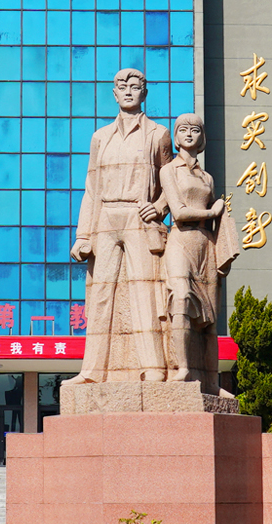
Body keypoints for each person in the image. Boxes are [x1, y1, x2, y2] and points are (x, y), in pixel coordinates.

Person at [66, 68, 173, 384]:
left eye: (135, 86)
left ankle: (153, 367)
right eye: (122, 86)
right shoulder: (100, 137)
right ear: (114, 94)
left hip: (138, 217)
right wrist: (83, 234)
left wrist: (159, 207)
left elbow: (172, 180)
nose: (128, 91)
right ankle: (92, 371)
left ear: (144, 93)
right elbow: (91, 188)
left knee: (144, 290)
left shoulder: (158, 134)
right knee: (100, 293)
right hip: (105, 217)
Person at [159, 113, 240, 395]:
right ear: (176, 136)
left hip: (207, 245)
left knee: (210, 320)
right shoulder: (169, 170)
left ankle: (212, 383)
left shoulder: (207, 177)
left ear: (202, 137)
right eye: (183, 129)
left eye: (195, 130)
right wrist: (212, 211)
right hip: (181, 241)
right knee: (180, 299)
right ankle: (182, 368)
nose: (189, 134)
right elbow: (179, 212)